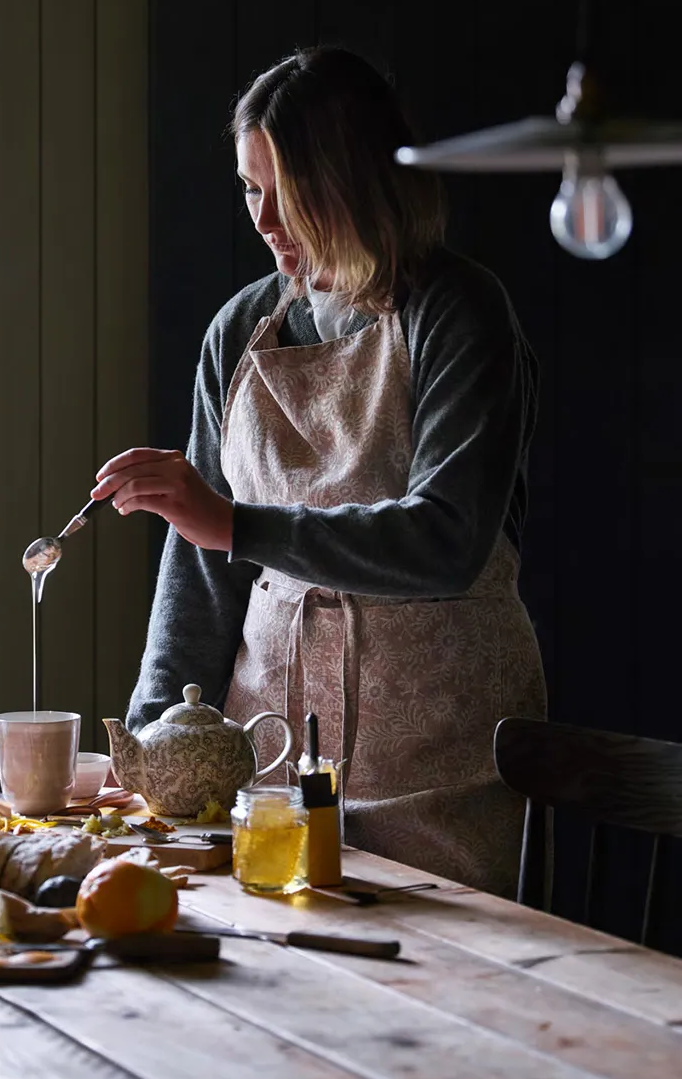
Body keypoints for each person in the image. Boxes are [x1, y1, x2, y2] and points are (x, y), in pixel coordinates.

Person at [91, 47, 547, 897]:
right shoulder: (237, 333)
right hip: (268, 755)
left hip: (439, 760)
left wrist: (237, 523)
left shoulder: (458, 311)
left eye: (284, 189)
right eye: (249, 188)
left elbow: (446, 538)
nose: (263, 220)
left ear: (352, 180)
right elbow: (198, 568)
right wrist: (153, 735)